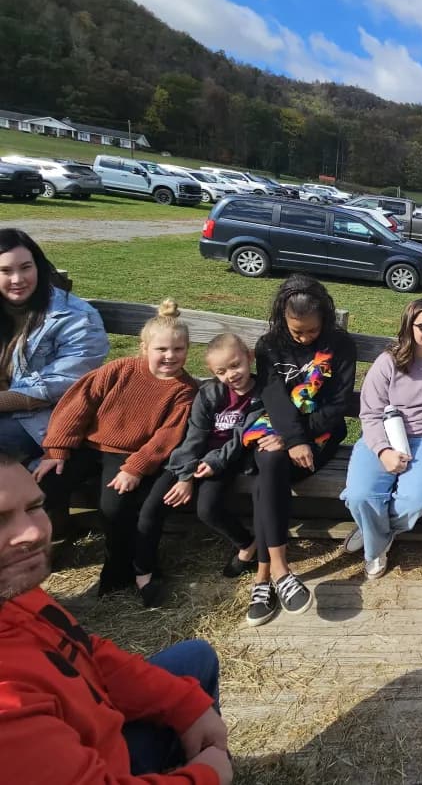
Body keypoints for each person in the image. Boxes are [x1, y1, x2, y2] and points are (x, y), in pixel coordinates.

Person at [0, 452, 233, 784]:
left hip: (92, 740)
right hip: (88, 765)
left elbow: (81, 651)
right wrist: (206, 776)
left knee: (196, 658)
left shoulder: (14, 592)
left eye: (34, 507)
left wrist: (186, 704)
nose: (32, 533)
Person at [33, 300, 197, 604]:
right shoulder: (120, 370)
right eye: (161, 349)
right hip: (89, 444)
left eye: (179, 350)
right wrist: (57, 449)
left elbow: (168, 436)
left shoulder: (184, 390)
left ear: (187, 350)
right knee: (44, 487)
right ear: (144, 347)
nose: (170, 356)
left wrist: (136, 467)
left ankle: (118, 569)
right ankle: (35, 554)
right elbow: (79, 404)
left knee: (114, 507)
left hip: (126, 455)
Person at [246, 275, 355, 625]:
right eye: (298, 333)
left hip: (321, 433)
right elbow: (273, 397)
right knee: (271, 464)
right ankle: (279, 571)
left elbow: (337, 405)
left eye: (311, 331)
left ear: (324, 317)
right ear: (283, 319)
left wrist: (300, 439)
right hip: (277, 427)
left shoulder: (340, 346)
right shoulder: (269, 345)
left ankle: (263, 576)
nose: (305, 338)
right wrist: (291, 439)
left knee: (268, 477)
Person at [342, 298, 422, 580]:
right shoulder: (388, 362)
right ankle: (376, 540)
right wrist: (383, 450)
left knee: (416, 500)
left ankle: (372, 537)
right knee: (359, 496)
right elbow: (370, 412)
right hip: (384, 433)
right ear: (409, 326)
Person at [132, 334, 262, 606]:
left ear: (249, 357)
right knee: (152, 507)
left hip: (227, 460)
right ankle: (143, 572)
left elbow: (242, 437)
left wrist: (214, 464)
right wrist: (185, 475)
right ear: (213, 374)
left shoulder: (259, 395)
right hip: (189, 459)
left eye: (236, 365)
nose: (231, 375)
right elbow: (194, 436)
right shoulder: (210, 393)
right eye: (221, 371)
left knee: (207, 509)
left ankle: (247, 544)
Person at [0, 228, 108, 462]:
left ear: (38, 266)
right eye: (5, 271)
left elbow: (60, 385)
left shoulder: (77, 317)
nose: (17, 279)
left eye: (25, 268)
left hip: (40, 421)